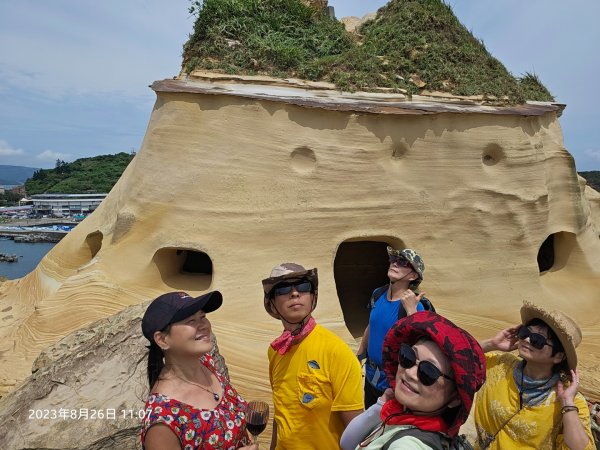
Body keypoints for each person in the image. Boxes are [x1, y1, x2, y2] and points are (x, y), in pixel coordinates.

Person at [341, 311, 486, 450]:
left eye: (428, 372)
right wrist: (381, 406)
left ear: (455, 398)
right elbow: (346, 443)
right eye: (408, 357)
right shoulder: (401, 413)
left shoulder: (409, 445)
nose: (410, 373)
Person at [262, 263, 364, 449]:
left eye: (303, 287)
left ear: (312, 297)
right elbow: (281, 413)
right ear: (272, 304)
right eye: (283, 289)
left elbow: (356, 429)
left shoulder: (336, 351)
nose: (294, 293)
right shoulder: (276, 351)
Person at [140, 291, 257, 450]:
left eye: (202, 317)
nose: (203, 325)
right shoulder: (162, 419)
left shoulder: (207, 363)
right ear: (162, 340)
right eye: (190, 320)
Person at [474, 301, 594, 450]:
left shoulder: (571, 399)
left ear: (558, 356)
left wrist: (568, 404)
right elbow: (458, 359)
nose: (526, 339)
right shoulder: (500, 365)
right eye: (525, 333)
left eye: (538, 340)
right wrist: (492, 343)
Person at [357, 246, 435, 408]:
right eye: (393, 260)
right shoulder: (378, 294)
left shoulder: (416, 306)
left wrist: (412, 310)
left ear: (413, 276)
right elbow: (372, 326)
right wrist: (359, 355)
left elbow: (418, 344)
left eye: (403, 263)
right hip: (371, 376)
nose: (394, 264)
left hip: (393, 382)